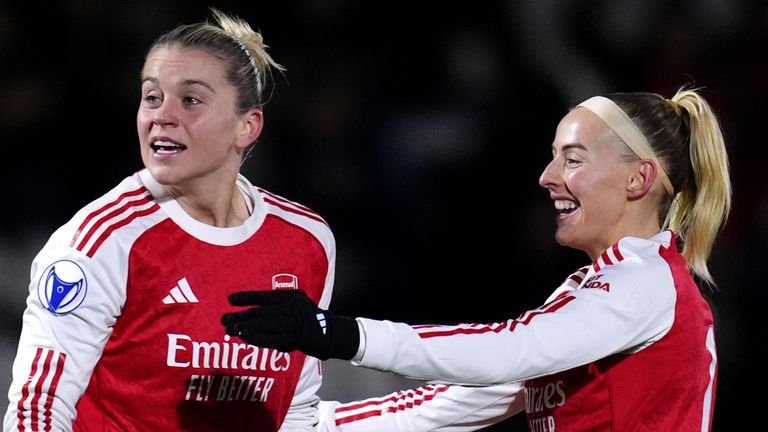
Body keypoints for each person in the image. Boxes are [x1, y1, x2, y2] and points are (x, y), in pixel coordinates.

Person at [2, 9, 532, 432]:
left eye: (190, 100)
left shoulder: (306, 241)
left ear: (247, 127)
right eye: (151, 98)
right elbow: (36, 410)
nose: (161, 116)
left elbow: (293, 416)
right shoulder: (100, 240)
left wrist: (505, 385)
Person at [222, 88, 731, 431]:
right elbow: (456, 400)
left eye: (573, 159)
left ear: (638, 179)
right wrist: (311, 426)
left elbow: (508, 350)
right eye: (554, 156)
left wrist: (337, 334)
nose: (547, 176)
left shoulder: (645, 281)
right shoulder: (588, 291)